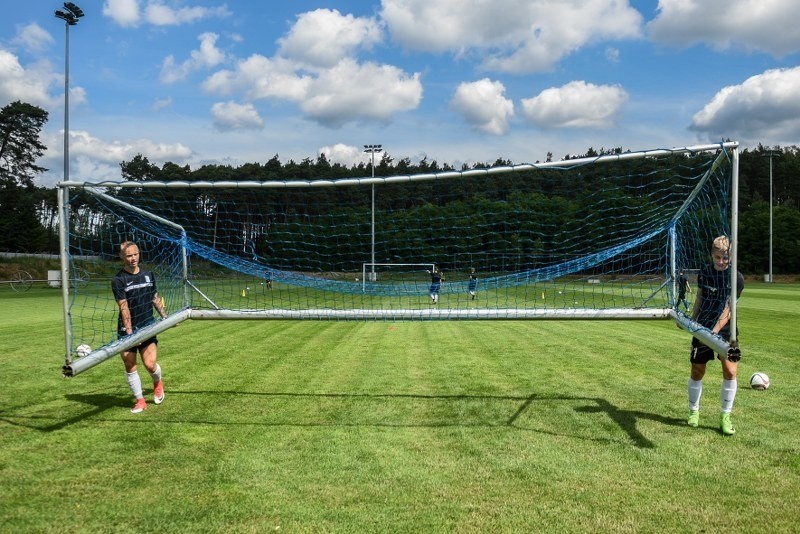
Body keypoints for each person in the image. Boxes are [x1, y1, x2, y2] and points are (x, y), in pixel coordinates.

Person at [686, 235, 744, 436]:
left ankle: (725, 416)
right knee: (697, 371)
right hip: (702, 328)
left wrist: (714, 332)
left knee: (730, 371)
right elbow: (700, 298)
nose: (720, 262)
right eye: (717, 257)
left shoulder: (737, 278)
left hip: (727, 332)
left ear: (731, 257)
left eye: (725, 258)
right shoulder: (704, 273)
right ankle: (694, 411)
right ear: (712, 254)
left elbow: (729, 309)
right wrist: (692, 322)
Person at [112, 241, 168, 414]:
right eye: (129, 255)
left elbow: (155, 298)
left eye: (135, 254)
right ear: (122, 257)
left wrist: (166, 317)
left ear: (139, 254)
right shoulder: (118, 280)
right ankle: (140, 400)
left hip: (147, 326)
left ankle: (158, 383)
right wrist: (129, 333)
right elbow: (124, 307)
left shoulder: (148, 275)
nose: (133, 258)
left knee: (150, 365)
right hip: (127, 330)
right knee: (130, 365)